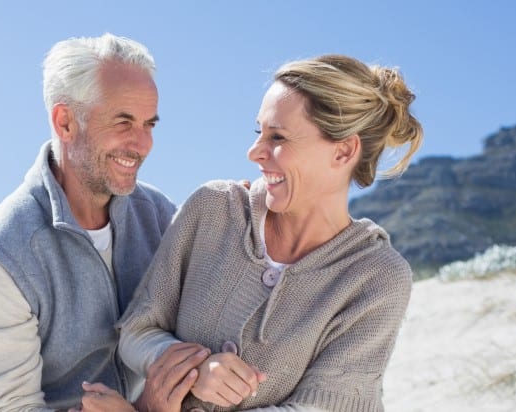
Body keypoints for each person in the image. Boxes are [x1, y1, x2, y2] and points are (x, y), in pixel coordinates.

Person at [87, 54, 423, 412]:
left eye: (277, 137)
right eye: (258, 132)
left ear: (343, 151)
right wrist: (190, 368)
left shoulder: (376, 278)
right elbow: (139, 330)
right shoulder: (213, 210)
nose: (254, 152)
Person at [0, 33, 207, 412]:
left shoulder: (160, 218)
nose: (142, 144)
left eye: (149, 124)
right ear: (66, 121)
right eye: (123, 122)